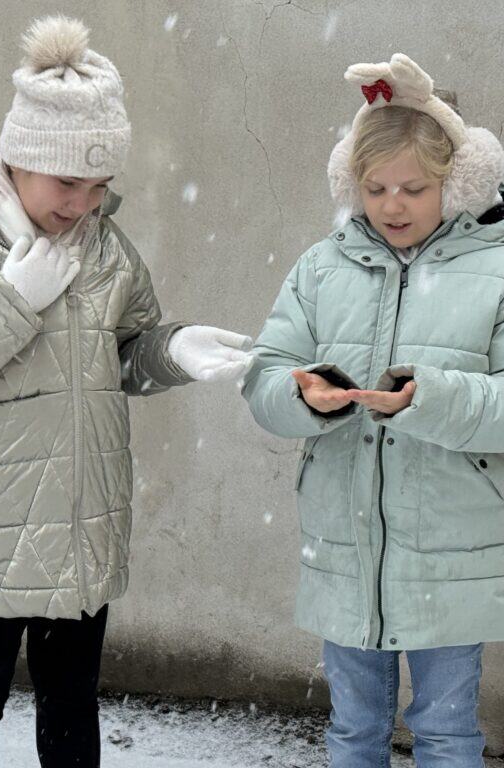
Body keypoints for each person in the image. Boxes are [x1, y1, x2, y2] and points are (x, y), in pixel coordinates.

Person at [0, 15, 253, 768]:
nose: (83, 204)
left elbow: (122, 357)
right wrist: (13, 301)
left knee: (73, 706)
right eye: (68, 183)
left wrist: (171, 350)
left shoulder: (106, 249)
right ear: (20, 156)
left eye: (100, 185)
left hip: (78, 525)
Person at [243, 53, 504, 766]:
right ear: (350, 185)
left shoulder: (496, 270)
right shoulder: (320, 267)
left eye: (414, 188)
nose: (393, 205)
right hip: (345, 545)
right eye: (375, 188)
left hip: (451, 551)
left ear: (459, 182)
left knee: (447, 734)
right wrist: (303, 395)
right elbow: (264, 376)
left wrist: (431, 398)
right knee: (353, 731)